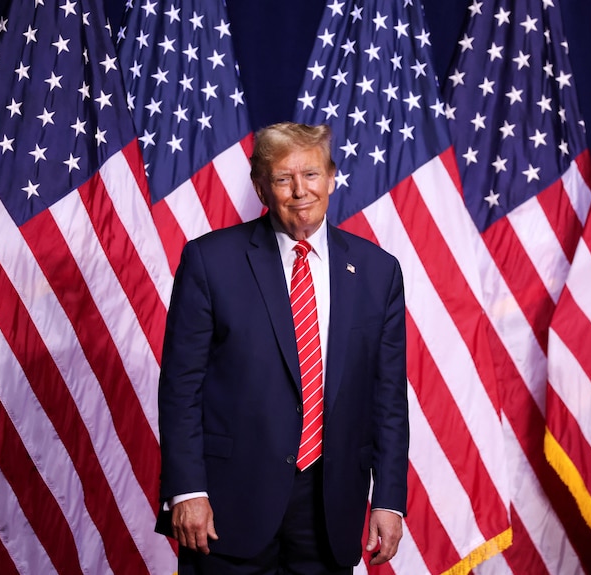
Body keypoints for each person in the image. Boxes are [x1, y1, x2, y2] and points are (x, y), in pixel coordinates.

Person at [156, 122, 409, 574]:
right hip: (226, 508)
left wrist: (389, 499)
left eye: (311, 175)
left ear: (332, 177)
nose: (300, 191)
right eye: (282, 179)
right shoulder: (210, 262)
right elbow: (181, 388)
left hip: (330, 508)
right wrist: (188, 491)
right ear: (261, 188)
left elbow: (387, 399)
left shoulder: (378, 271)